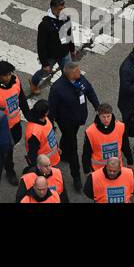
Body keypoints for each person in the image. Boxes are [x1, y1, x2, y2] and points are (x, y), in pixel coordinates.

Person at [51, 63, 101, 191]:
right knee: (73, 145)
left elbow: (89, 91)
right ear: (70, 74)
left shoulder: (80, 79)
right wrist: (50, 125)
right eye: (77, 71)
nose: (80, 73)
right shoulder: (57, 88)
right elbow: (52, 108)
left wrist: (97, 107)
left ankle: (63, 152)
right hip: (66, 121)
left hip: (79, 118)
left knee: (69, 138)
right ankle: (76, 176)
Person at [33, 0, 75, 89]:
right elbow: (41, 45)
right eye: (60, 9)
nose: (63, 11)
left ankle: (68, 89)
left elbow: (69, 33)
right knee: (44, 73)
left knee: (69, 73)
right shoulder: (44, 25)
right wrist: (45, 63)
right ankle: (33, 82)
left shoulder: (66, 18)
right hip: (50, 56)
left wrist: (72, 49)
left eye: (64, 8)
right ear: (52, 8)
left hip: (64, 53)